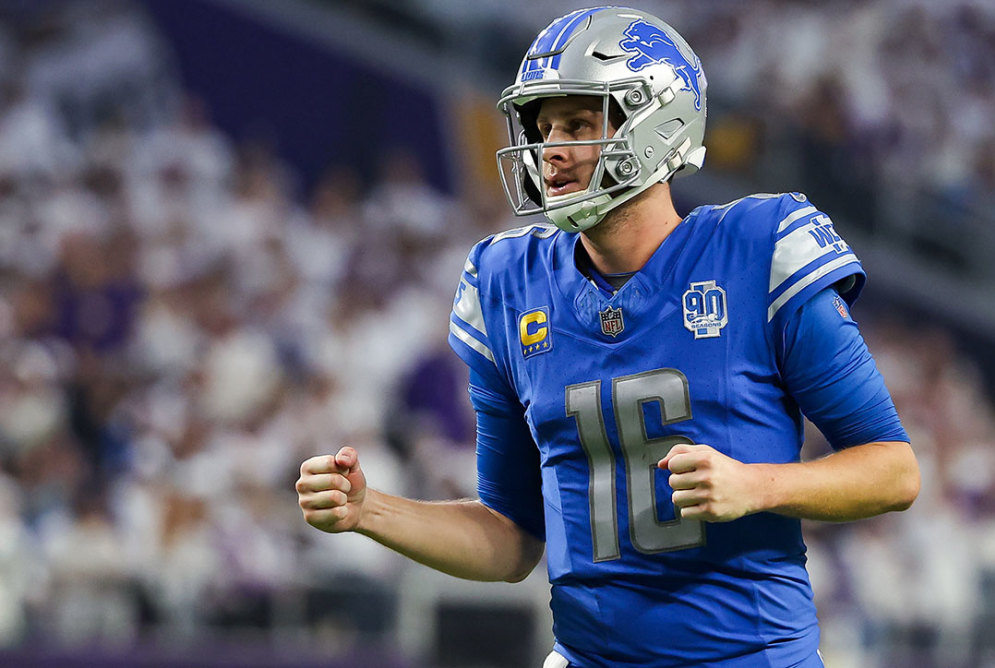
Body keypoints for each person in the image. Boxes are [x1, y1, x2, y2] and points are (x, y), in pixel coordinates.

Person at [297, 7, 920, 666]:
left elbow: (894, 470)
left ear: (659, 123)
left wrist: (759, 487)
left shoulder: (758, 251)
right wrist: (371, 512)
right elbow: (513, 539)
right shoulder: (509, 282)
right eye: (541, 129)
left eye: (576, 122)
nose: (550, 150)